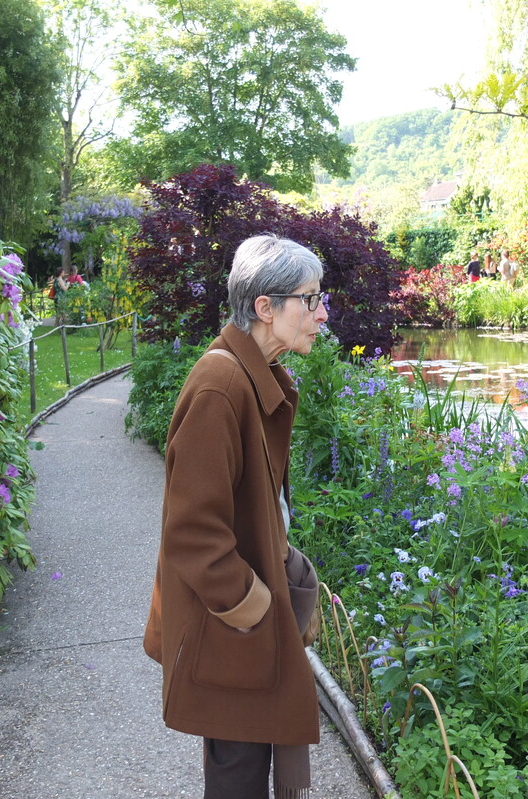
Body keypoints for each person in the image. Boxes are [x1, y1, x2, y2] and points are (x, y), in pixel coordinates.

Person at [144, 234, 326, 799]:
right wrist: (253, 607)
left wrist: (286, 566)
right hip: (229, 626)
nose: (322, 314)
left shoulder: (253, 377)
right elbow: (193, 533)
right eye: (311, 299)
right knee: (237, 776)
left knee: (244, 762)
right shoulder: (222, 387)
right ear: (266, 308)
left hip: (241, 621)